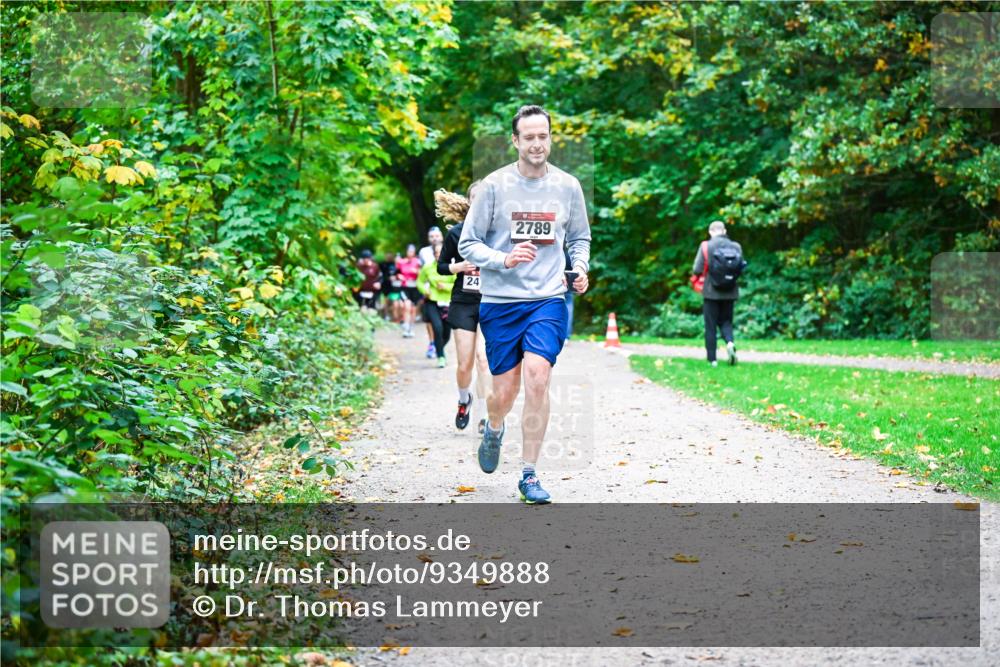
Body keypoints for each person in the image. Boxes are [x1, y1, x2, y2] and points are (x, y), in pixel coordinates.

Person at [458, 104, 591, 505]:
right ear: (515, 141)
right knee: (504, 392)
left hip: (547, 298)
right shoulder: (495, 187)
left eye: (543, 136)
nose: (537, 143)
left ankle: (529, 474)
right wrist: (504, 258)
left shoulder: (568, 187)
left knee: (537, 375)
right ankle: (494, 426)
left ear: (551, 138)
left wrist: (580, 267)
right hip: (500, 301)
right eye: (529, 137)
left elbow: (579, 239)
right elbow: (468, 243)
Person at [436, 184, 493, 431]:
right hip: (463, 302)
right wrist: (459, 267)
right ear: (469, 201)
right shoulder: (457, 233)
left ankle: (484, 416)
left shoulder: (498, 233)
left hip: (491, 301)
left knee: (483, 360)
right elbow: (440, 267)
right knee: (464, 364)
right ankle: (464, 400)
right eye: (475, 197)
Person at [692, 220, 746, 366]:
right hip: (730, 291)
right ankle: (729, 343)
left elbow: (697, 269)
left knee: (710, 325)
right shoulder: (736, 246)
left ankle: (712, 359)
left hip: (711, 292)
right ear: (724, 231)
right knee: (726, 321)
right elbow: (741, 267)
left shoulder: (706, 246)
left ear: (710, 232)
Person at [416, 244, 456, 368]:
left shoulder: (453, 268)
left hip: (448, 302)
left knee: (446, 335)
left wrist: (446, 287)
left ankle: (438, 348)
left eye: (441, 252)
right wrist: (425, 291)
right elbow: (419, 282)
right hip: (432, 302)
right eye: (437, 253)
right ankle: (441, 357)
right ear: (434, 255)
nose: (439, 255)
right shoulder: (427, 268)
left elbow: (457, 284)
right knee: (437, 329)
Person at [419, 226, 445, 358]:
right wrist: (424, 288)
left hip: (444, 291)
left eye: (437, 236)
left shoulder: (448, 248)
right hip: (429, 291)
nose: (435, 238)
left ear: (441, 237)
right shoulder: (423, 252)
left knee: (443, 324)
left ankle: (439, 344)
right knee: (430, 320)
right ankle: (431, 343)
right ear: (429, 239)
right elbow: (420, 272)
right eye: (432, 236)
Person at [395, 244, 422, 338]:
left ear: (414, 252)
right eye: (409, 251)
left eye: (412, 251)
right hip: (405, 287)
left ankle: (411, 328)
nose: (410, 253)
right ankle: (406, 328)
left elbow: (423, 274)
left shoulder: (418, 262)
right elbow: (396, 273)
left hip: (415, 287)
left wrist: (417, 272)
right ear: (406, 252)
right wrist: (399, 276)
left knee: (413, 309)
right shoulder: (401, 262)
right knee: (406, 305)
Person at [379, 251, 402, 322]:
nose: (388, 257)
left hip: (396, 286)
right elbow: (380, 274)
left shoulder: (398, 265)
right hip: (386, 285)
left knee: (396, 302)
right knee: (386, 301)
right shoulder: (382, 264)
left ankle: (396, 317)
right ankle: (386, 315)